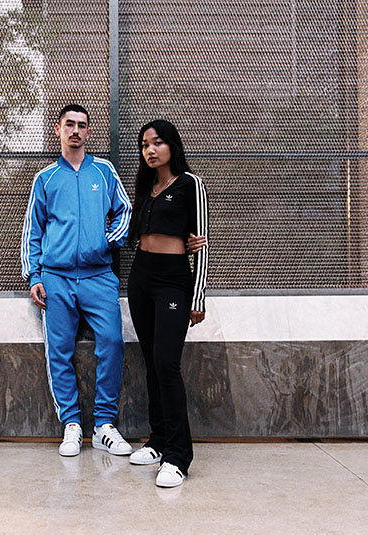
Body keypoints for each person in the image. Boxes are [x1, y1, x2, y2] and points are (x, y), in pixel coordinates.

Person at [20, 104, 133, 457]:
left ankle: (104, 426)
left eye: (82, 125)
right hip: (56, 278)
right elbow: (32, 231)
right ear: (58, 130)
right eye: (69, 124)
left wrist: (107, 240)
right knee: (59, 351)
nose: (75, 130)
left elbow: (125, 211)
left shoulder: (104, 171)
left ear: (88, 132)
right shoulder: (45, 179)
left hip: (99, 276)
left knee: (112, 342)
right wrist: (34, 275)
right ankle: (71, 424)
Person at [126, 119, 209, 487]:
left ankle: (177, 456)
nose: (151, 150)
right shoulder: (146, 188)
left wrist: (198, 295)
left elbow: (202, 245)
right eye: (145, 145)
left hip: (173, 280)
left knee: (166, 362)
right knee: (151, 362)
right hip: (141, 277)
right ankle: (158, 440)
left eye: (157, 142)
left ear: (172, 145)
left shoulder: (191, 184)